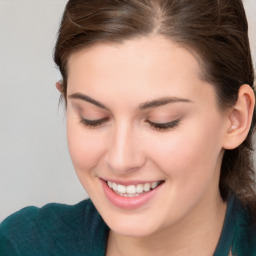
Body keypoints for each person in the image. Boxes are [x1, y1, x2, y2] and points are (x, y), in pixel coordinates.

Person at [1, 0, 256, 255]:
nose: (120, 160)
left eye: (161, 122)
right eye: (93, 118)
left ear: (236, 119)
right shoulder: (23, 246)